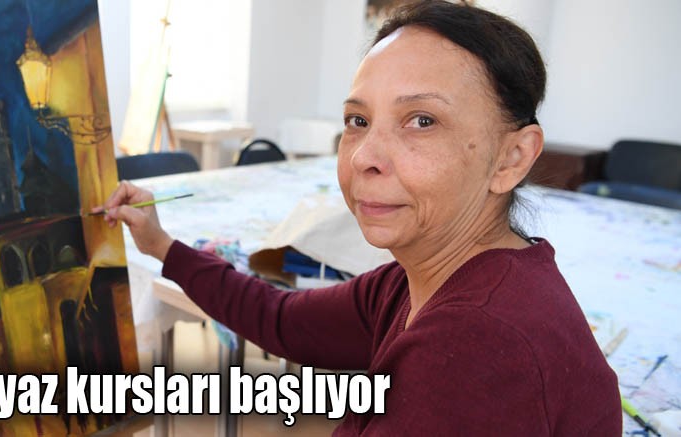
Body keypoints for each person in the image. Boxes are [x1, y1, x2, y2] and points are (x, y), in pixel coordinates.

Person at [96, 1, 621, 434]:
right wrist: (162, 245)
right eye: (358, 120)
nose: (365, 156)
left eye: (422, 120)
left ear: (512, 158)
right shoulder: (414, 283)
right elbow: (280, 319)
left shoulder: (478, 347)